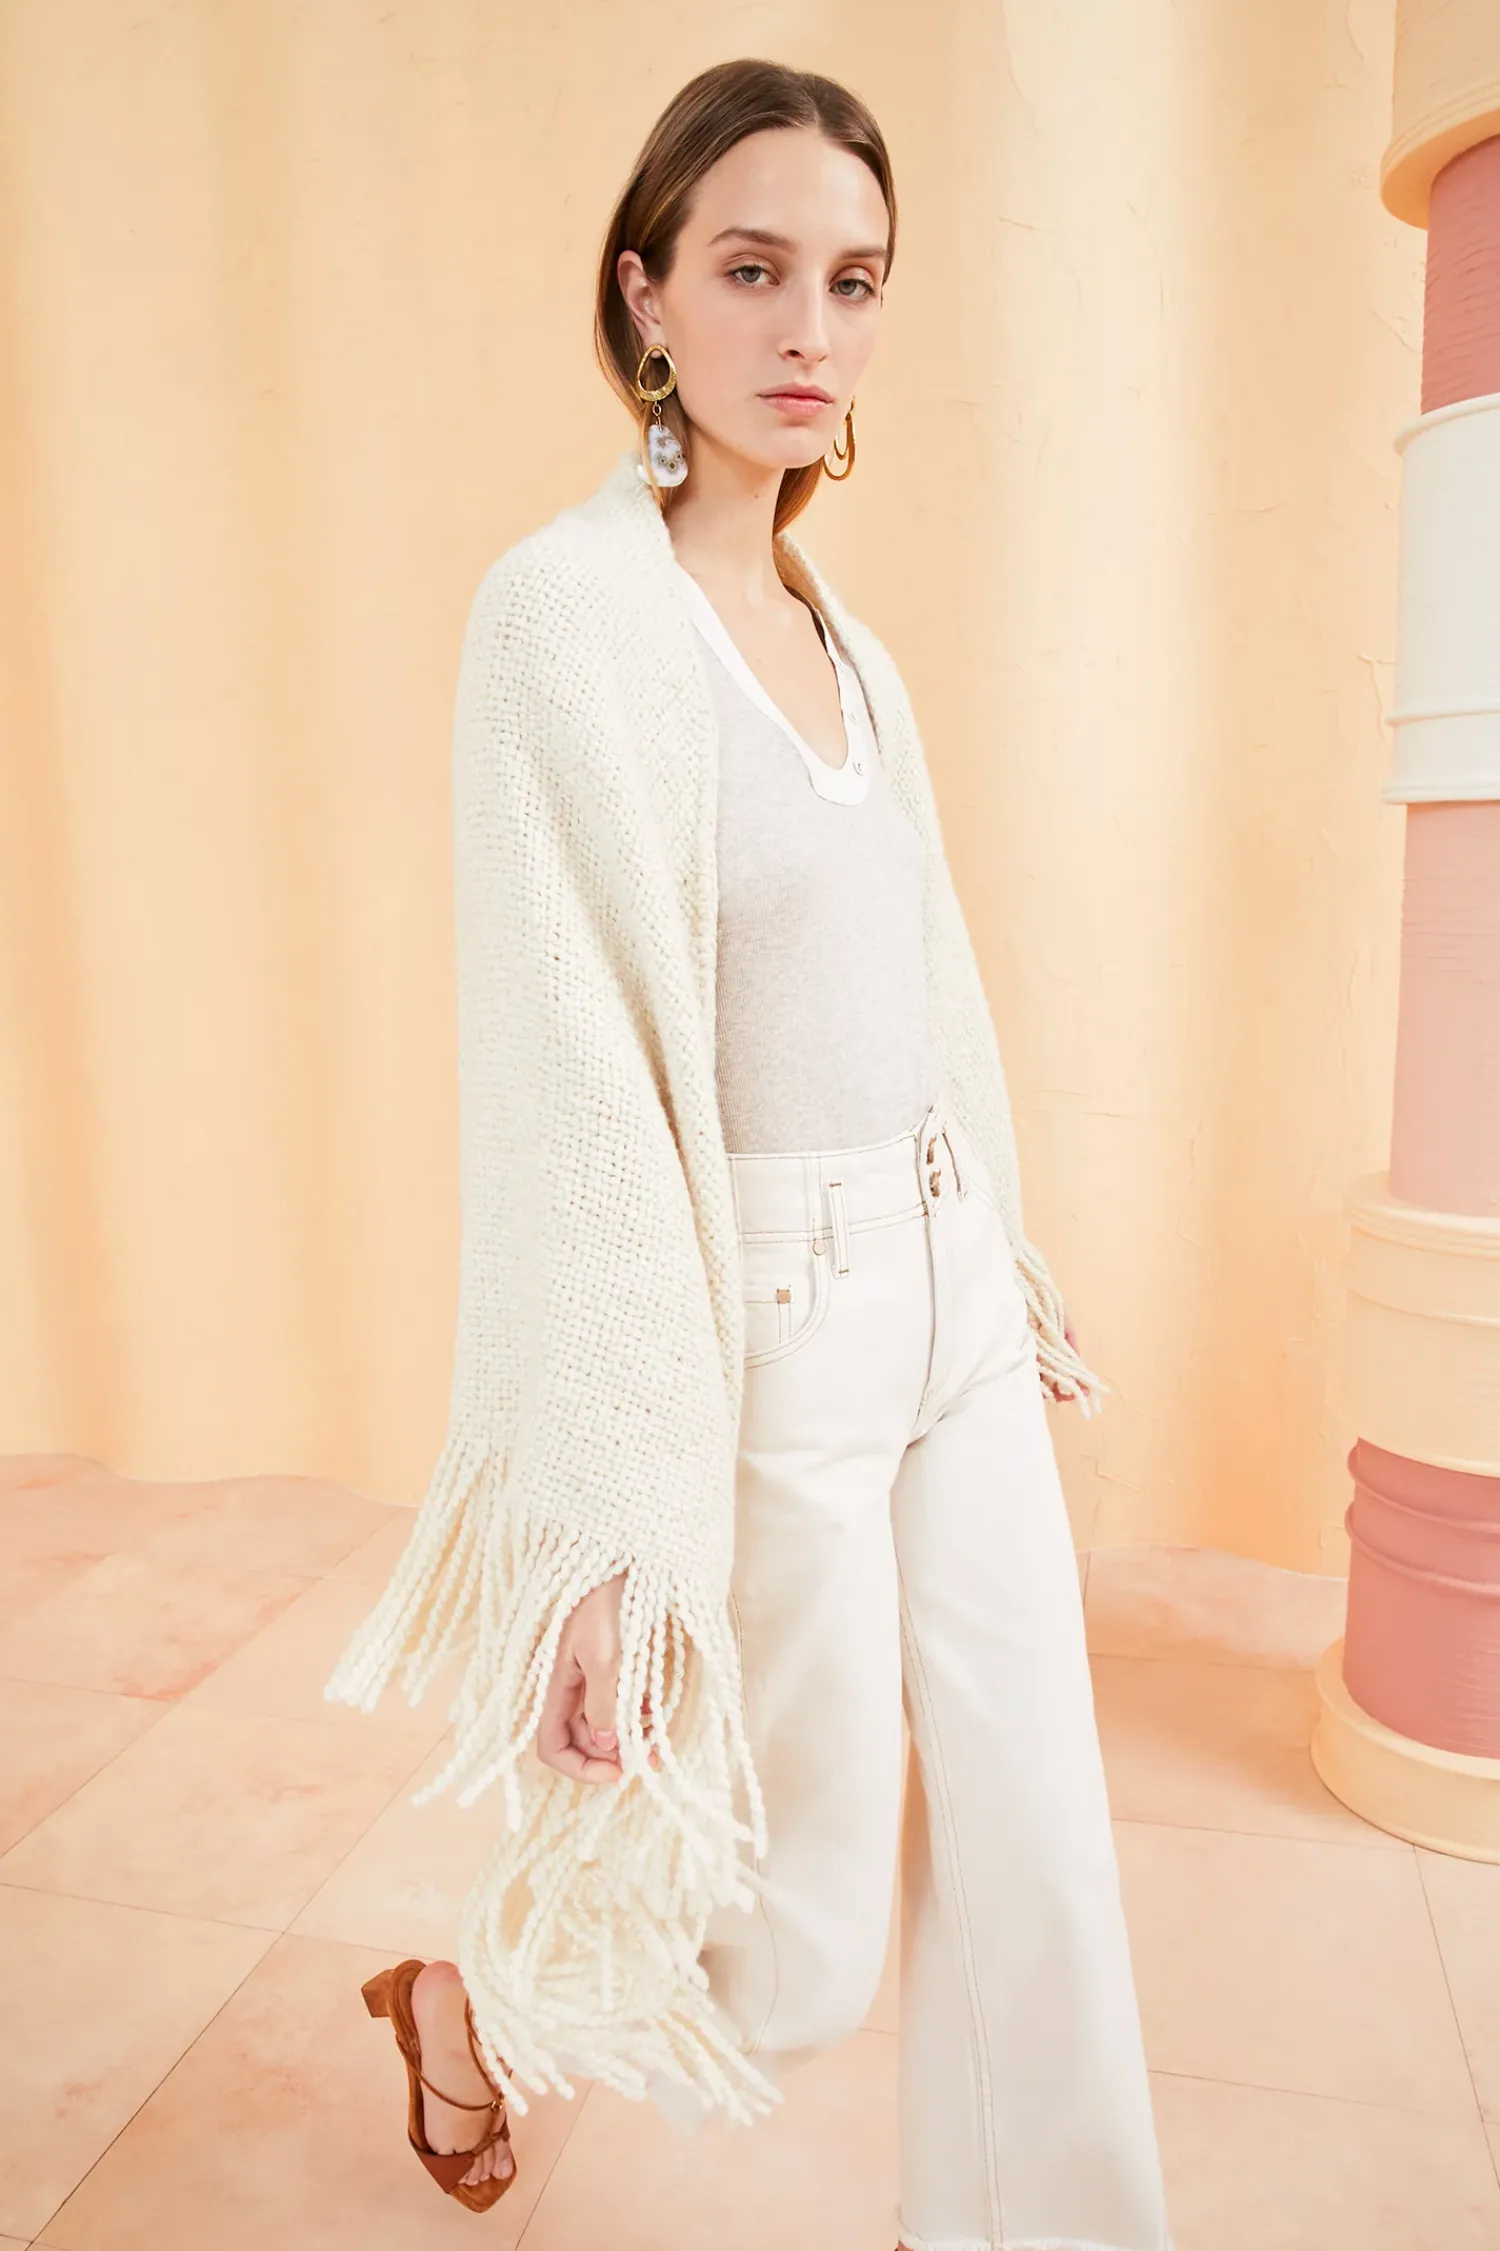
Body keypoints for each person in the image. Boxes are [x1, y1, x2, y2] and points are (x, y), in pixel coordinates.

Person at [327, 56, 1175, 2251]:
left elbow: (931, 976)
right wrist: (614, 1518)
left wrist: (1003, 1262)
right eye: (752, 269)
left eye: (856, 281)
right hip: (770, 1325)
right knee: (799, 1955)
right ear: (646, 295)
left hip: (948, 1289)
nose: (811, 330)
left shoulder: (842, 642)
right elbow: (569, 1084)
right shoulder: (562, 620)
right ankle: (472, 2006)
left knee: (1042, 1853)